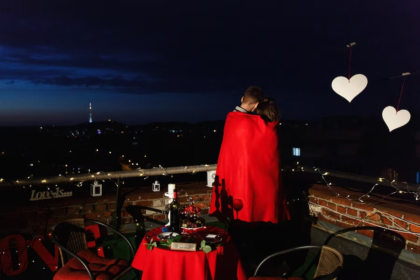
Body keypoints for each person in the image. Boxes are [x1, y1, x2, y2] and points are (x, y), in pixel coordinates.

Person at [210, 91, 289, 224]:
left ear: (242, 98)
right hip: (268, 188)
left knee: (242, 226)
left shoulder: (233, 120)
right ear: (257, 105)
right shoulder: (270, 127)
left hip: (240, 186)